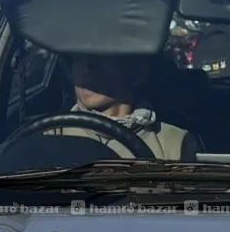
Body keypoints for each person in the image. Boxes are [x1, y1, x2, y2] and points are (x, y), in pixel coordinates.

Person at [67, 53, 196, 159]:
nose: (86, 69)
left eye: (102, 58)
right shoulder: (57, 134)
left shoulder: (175, 142)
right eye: (78, 59)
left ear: (138, 73)